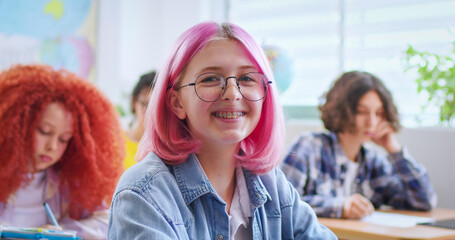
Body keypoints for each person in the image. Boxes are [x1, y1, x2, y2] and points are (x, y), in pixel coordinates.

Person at [108, 22, 336, 239]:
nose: (232, 93)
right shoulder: (143, 193)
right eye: (210, 79)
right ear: (177, 103)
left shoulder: (270, 182)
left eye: (246, 78)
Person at [280, 71, 437, 219]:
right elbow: (281, 203)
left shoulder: (374, 162)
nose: (372, 122)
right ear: (342, 110)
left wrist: (394, 150)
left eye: (379, 113)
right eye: (362, 112)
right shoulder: (309, 146)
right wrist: (340, 207)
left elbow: (423, 202)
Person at [0, 64, 125, 239]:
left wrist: (65, 231)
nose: (52, 146)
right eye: (44, 131)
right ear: (18, 124)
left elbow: (108, 222)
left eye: (63, 139)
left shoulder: (68, 183)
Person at [124, 71, 157, 169]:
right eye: (145, 104)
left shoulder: (166, 151)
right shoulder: (115, 142)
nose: (150, 113)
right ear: (134, 102)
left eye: (156, 106)